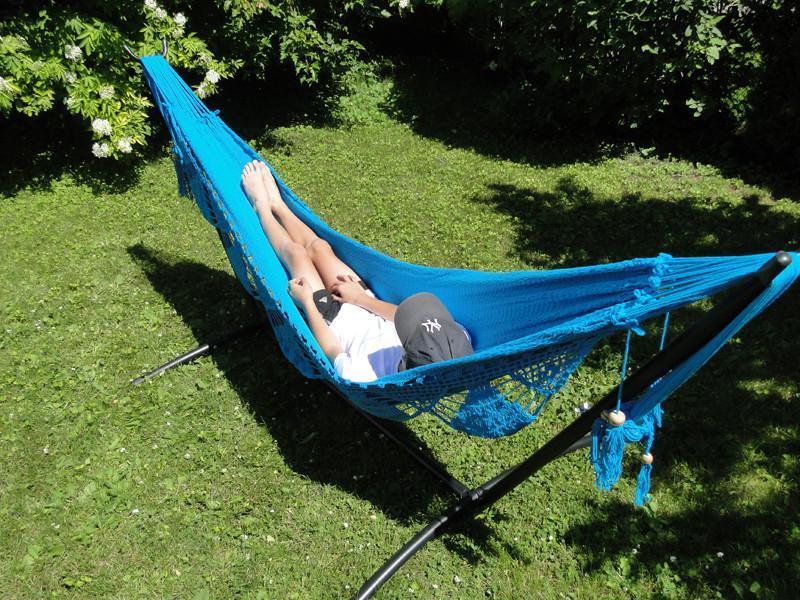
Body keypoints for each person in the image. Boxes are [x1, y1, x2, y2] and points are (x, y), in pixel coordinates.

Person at [240, 160, 473, 382]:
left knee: (296, 254)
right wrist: (359, 298)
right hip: (361, 299)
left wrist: (307, 303)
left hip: (329, 315)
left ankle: (261, 208)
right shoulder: (457, 343)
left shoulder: (365, 375)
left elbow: (332, 349)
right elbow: (401, 316)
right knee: (320, 248)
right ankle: (278, 205)